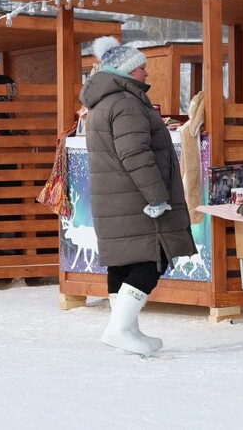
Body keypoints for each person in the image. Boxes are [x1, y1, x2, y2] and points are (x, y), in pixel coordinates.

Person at [79, 36, 197, 355]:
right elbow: (136, 155)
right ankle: (118, 329)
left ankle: (128, 329)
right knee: (151, 259)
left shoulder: (104, 101)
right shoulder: (126, 103)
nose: (147, 73)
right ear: (127, 72)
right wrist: (157, 197)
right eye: (142, 67)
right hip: (136, 199)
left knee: (124, 261)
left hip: (116, 198)